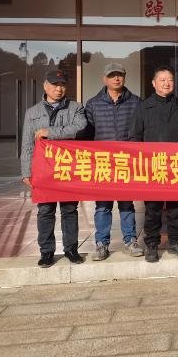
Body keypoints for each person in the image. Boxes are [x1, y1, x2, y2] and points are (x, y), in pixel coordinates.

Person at [129, 66, 178, 262]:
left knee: (176, 208)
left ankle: (176, 242)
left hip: (177, 166)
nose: (167, 83)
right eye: (162, 80)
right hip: (153, 167)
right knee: (153, 209)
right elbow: (135, 138)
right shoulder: (143, 107)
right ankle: (151, 244)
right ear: (154, 83)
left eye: (170, 80)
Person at [21, 69, 87, 268]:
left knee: (69, 210)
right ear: (45, 86)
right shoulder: (32, 112)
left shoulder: (76, 108)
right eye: (54, 84)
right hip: (43, 170)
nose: (59, 89)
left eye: (62, 85)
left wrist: (50, 132)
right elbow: (27, 144)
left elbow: (80, 128)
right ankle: (47, 252)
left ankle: (71, 249)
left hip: (67, 167)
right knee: (45, 211)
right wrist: (26, 172)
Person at [84, 62, 142, 261]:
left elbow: (139, 132)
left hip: (126, 162)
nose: (116, 78)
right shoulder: (93, 104)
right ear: (105, 79)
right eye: (112, 75)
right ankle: (102, 244)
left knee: (127, 204)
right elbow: (87, 135)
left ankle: (130, 241)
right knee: (102, 206)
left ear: (124, 77)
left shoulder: (136, 102)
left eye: (119, 75)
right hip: (103, 163)